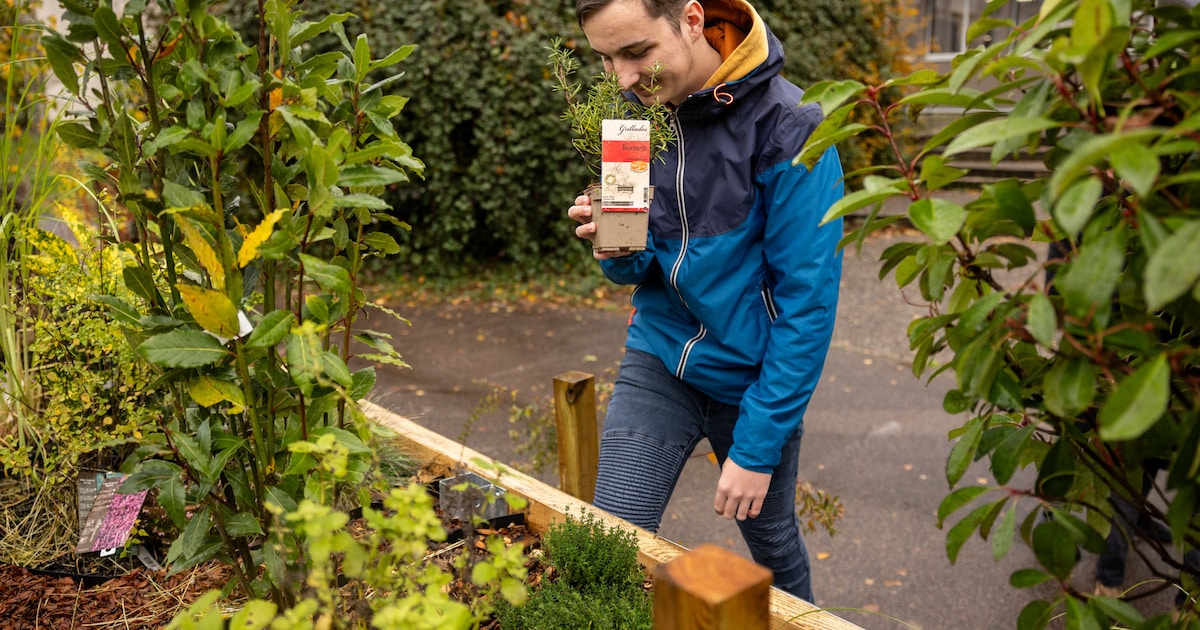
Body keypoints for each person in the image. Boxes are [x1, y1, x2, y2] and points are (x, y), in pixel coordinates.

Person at [566, 0, 844, 602]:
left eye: (636, 52)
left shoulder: (792, 128)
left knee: (773, 549)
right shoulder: (631, 115)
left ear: (692, 20)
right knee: (608, 541)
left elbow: (807, 306)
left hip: (752, 380)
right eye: (606, 59)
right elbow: (635, 269)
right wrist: (614, 243)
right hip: (660, 356)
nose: (622, 78)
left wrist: (757, 448)